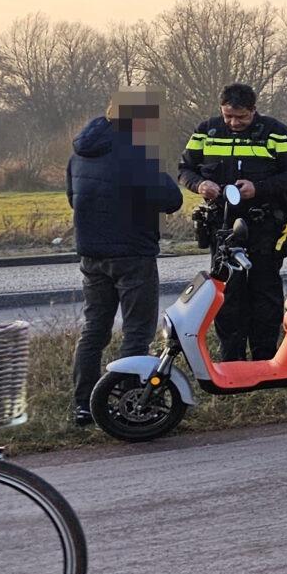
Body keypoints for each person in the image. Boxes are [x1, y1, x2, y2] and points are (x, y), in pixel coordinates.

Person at [68, 91, 184, 424]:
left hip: (91, 254)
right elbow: (171, 199)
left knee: (94, 330)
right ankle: (131, 404)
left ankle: (83, 405)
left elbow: (72, 197)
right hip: (133, 253)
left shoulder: (79, 153)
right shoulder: (136, 154)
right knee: (136, 332)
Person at [178, 82, 287, 362]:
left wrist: (258, 188)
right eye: (228, 117)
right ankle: (231, 359)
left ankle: (265, 358)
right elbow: (184, 170)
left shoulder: (275, 131)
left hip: (263, 224)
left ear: (254, 110)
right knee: (227, 293)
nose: (234, 123)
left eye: (241, 117)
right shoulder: (206, 131)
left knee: (265, 291)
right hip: (221, 226)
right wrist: (200, 184)